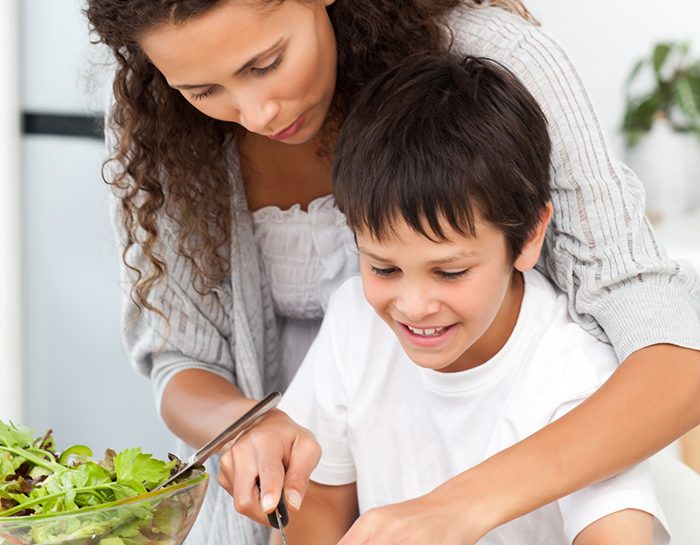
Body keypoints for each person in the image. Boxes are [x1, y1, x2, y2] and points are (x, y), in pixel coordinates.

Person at [83, 1, 700, 544]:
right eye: (201, 90)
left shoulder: (497, 64)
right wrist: (247, 426)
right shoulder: (155, 113)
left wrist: (457, 507)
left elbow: (671, 348)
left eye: (265, 63)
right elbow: (182, 361)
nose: (254, 113)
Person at [274, 52, 670, 545]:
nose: (414, 304)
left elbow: (619, 532)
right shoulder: (355, 319)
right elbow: (317, 504)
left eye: (451, 272)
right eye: (384, 268)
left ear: (528, 238)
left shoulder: (571, 370)